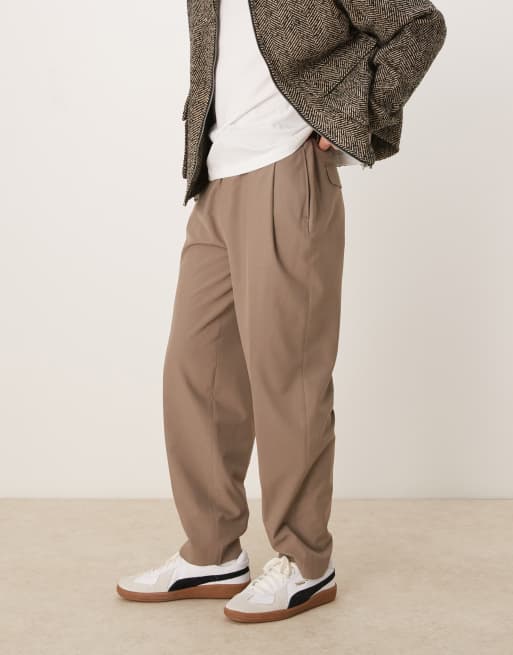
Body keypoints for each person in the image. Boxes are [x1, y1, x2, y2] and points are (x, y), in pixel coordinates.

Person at [116, 0, 447, 623]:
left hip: (286, 171)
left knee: (287, 375)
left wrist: (353, 116)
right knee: (195, 372)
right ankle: (212, 552)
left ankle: (306, 561)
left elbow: (419, 25)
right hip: (216, 181)